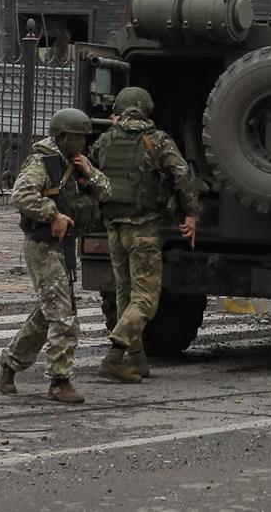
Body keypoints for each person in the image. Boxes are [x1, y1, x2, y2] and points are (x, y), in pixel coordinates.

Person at [0, 108, 112, 404]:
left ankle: (8, 365)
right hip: (43, 246)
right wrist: (52, 215)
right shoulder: (42, 163)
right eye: (78, 137)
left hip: (64, 248)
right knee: (63, 316)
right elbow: (21, 196)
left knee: (48, 314)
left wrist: (90, 172)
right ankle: (59, 381)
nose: (82, 143)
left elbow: (108, 192)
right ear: (63, 137)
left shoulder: (76, 164)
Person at [89, 85, 200, 382]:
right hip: (143, 230)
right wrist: (190, 214)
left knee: (125, 295)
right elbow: (182, 175)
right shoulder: (157, 140)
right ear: (145, 109)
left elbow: (91, 171)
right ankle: (115, 355)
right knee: (147, 299)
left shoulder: (104, 140)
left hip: (114, 229)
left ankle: (137, 361)